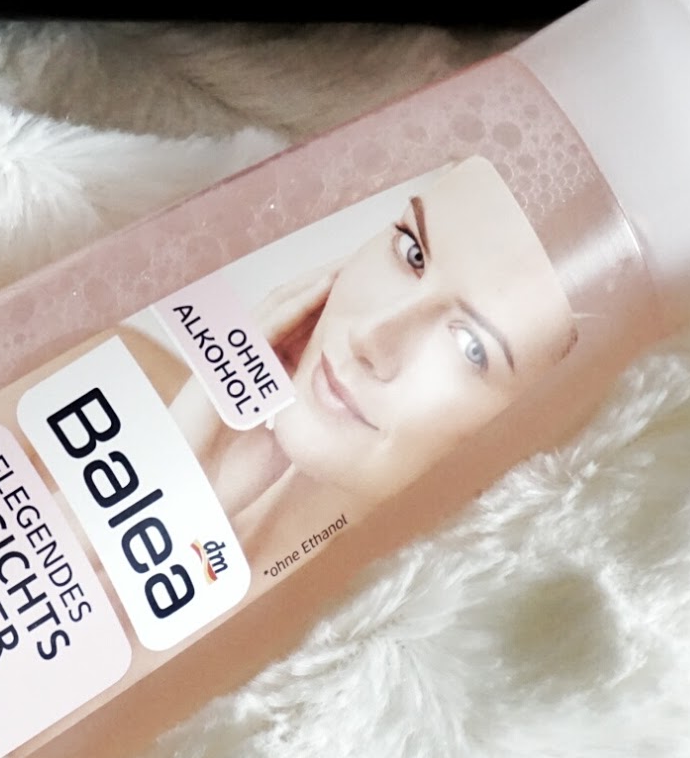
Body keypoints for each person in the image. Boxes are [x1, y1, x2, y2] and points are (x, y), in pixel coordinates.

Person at [165, 155, 580, 570]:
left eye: (472, 346)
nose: (369, 335)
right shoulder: (164, 411)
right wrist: (176, 496)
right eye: (413, 253)